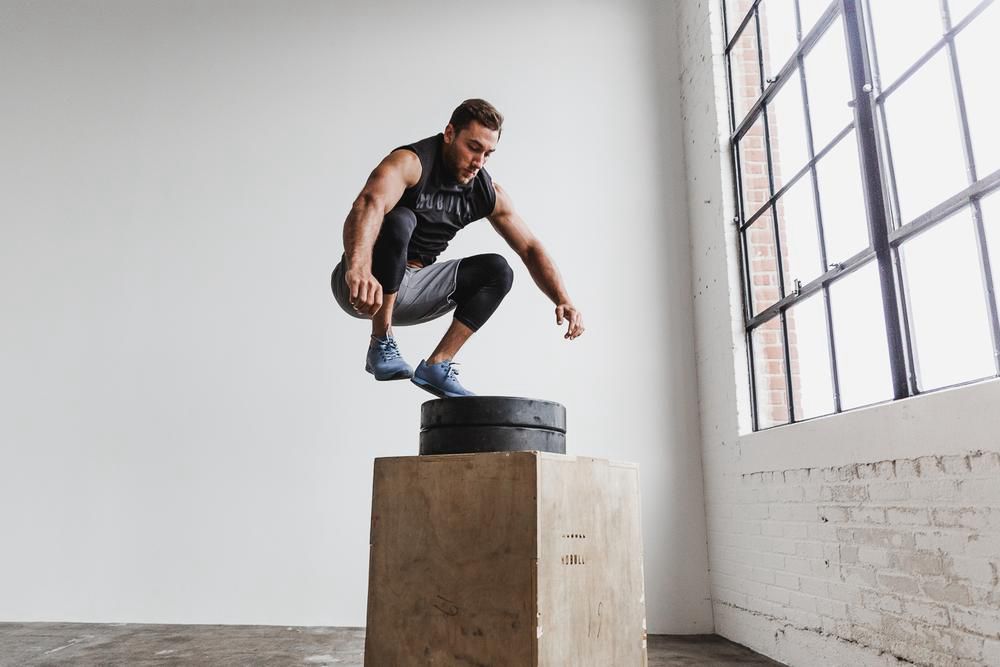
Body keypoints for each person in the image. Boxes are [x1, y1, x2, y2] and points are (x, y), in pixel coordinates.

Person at [331, 99, 584, 398]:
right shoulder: (411, 163)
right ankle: (381, 341)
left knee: (498, 269)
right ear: (450, 133)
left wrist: (563, 298)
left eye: (488, 154)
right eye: (473, 148)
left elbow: (529, 248)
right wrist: (359, 268)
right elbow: (367, 204)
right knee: (401, 219)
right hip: (362, 282)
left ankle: (438, 365)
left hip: (415, 287)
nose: (479, 162)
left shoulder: (485, 192)